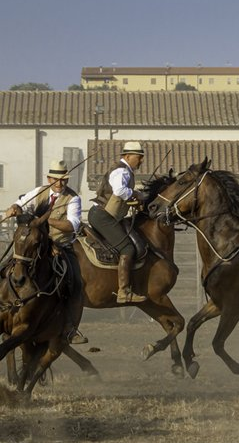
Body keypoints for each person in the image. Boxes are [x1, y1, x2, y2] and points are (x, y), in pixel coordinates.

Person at [3, 159, 86, 342]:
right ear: (49, 179)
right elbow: (21, 204)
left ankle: (70, 327)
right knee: (7, 265)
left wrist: (44, 221)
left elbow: (72, 225)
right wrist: (14, 208)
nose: (60, 183)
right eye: (56, 179)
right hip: (34, 243)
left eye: (63, 180)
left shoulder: (73, 198)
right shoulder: (38, 192)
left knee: (75, 282)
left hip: (60, 244)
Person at [88, 141, 148, 303]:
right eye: (139, 157)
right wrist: (137, 194)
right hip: (103, 216)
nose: (141, 161)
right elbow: (120, 191)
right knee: (127, 248)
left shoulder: (124, 170)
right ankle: (124, 292)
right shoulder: (122, 171)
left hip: (104, 215)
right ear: (127, 156)